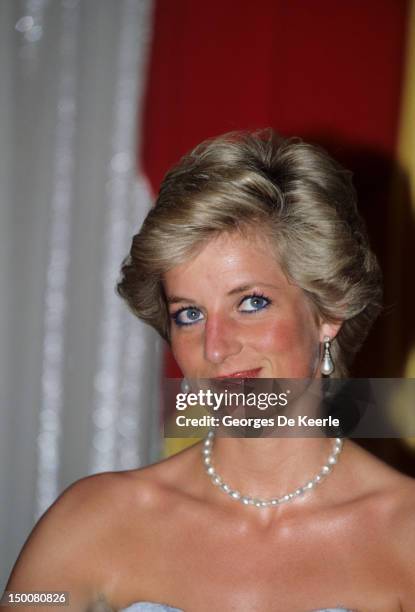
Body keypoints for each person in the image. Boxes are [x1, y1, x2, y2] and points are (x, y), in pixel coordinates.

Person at [4, 129, 415, 612]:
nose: (215, 348)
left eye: (251, 302)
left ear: (326, 313)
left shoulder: (403, 536)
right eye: (189, 314)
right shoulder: (95, 522)